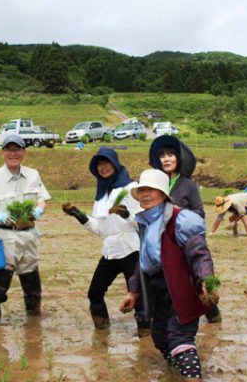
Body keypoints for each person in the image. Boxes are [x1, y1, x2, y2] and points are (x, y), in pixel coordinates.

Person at [119, 169, 217, 379]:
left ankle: (192, 376)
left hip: (180, 287)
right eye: (142, 190)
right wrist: (133, 292)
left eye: (151, 190)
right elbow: (143, 261)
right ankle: (178, 371)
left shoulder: (182, 220)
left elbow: (200, 254)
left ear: (163, 194)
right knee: (161, 337)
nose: (145, 194)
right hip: (159, 289)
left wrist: (206, 280)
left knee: (180, 337)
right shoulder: (145, 222)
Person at [62, 147, 149, 335]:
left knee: (138, 295)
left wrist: (126, 214)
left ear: (115, 164)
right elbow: (100, 229)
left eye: (107, 163)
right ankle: (102, 332)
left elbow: (143, 219)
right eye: (100, 164)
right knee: (94, 293)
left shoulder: (131, 188)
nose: (103, 167)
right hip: (110, 251)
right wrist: (77, 214)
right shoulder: (101, 195)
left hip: (131, 250)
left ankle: (146, 336)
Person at [0, 134, 50, 325]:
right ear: (3, 153)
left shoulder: (33, 174)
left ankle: (34, 318)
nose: (13, 153)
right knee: (0, 284)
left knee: (31, 279)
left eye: (17, 149)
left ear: (24, 152)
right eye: (9, 150)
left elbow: (42, 199)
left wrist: (38, 209)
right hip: (4, 236)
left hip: (29, 236)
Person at [149, 136, 221, 323]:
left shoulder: (188, 185)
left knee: (194, 278)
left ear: (179, 159)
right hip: (165, 241)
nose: (166, 159)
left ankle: (212, 312)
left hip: (186, 241)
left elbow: (199, 213)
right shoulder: (157, 186)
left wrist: (177, 212)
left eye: (171, 155)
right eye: (162, 155)